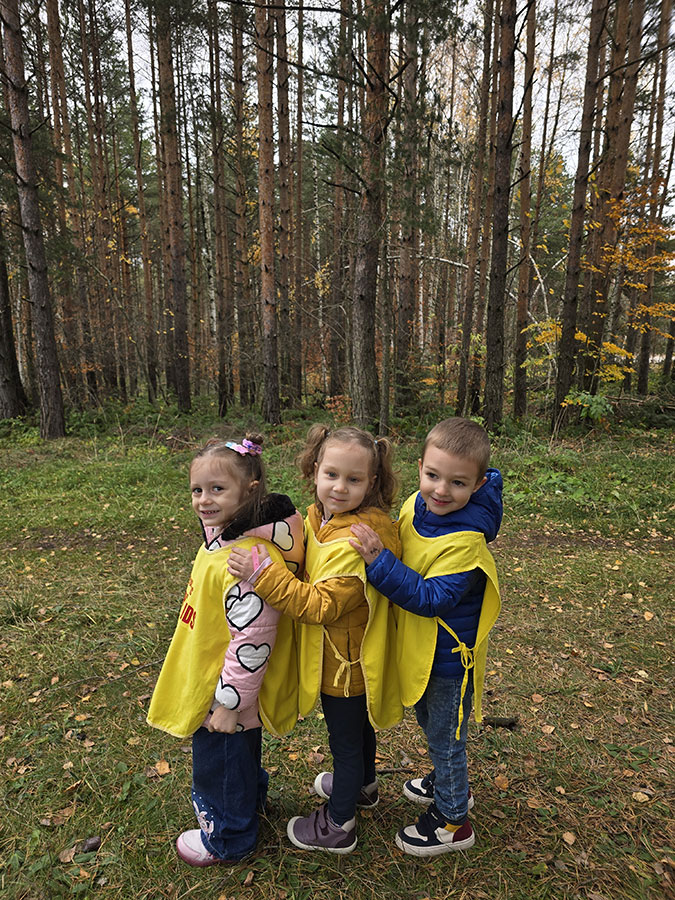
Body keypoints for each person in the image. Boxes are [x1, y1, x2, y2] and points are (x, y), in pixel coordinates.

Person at [228, 424, 402, 855]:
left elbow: (319, 606)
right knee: (357, 730)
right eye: (331, 475)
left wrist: (262, 574)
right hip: (341, 655)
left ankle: (339, 823)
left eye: (353, 479)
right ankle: (363, 786)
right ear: (315, 470)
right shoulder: (322, 518)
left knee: (345, 742)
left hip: (345, 663)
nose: (339, 487)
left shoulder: (358, 540)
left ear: (372, 482)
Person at [147, 434, 304, 867]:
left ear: (249, 491)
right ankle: (248, 807)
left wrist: (230, 705)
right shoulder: (220, 540)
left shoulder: (245, 559)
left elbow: (254, 639)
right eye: (197, 490)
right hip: (215, 684)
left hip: (226, 695)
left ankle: (229, 838)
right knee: (237, 761)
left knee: (220, 767)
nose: (204, 500)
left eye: (217, 489)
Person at [350, 417, 502, 857]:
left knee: (446, 739)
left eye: (457, 482)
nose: (441, 490)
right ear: (420, 467)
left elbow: (432, 597)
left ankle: (453, 820)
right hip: (422, 653)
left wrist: (379, 563)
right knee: (432, 724)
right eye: (433, 475)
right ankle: (447, 781)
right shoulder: (417, 506)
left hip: (448, 662)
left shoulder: (466, 542)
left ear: (477, 485)